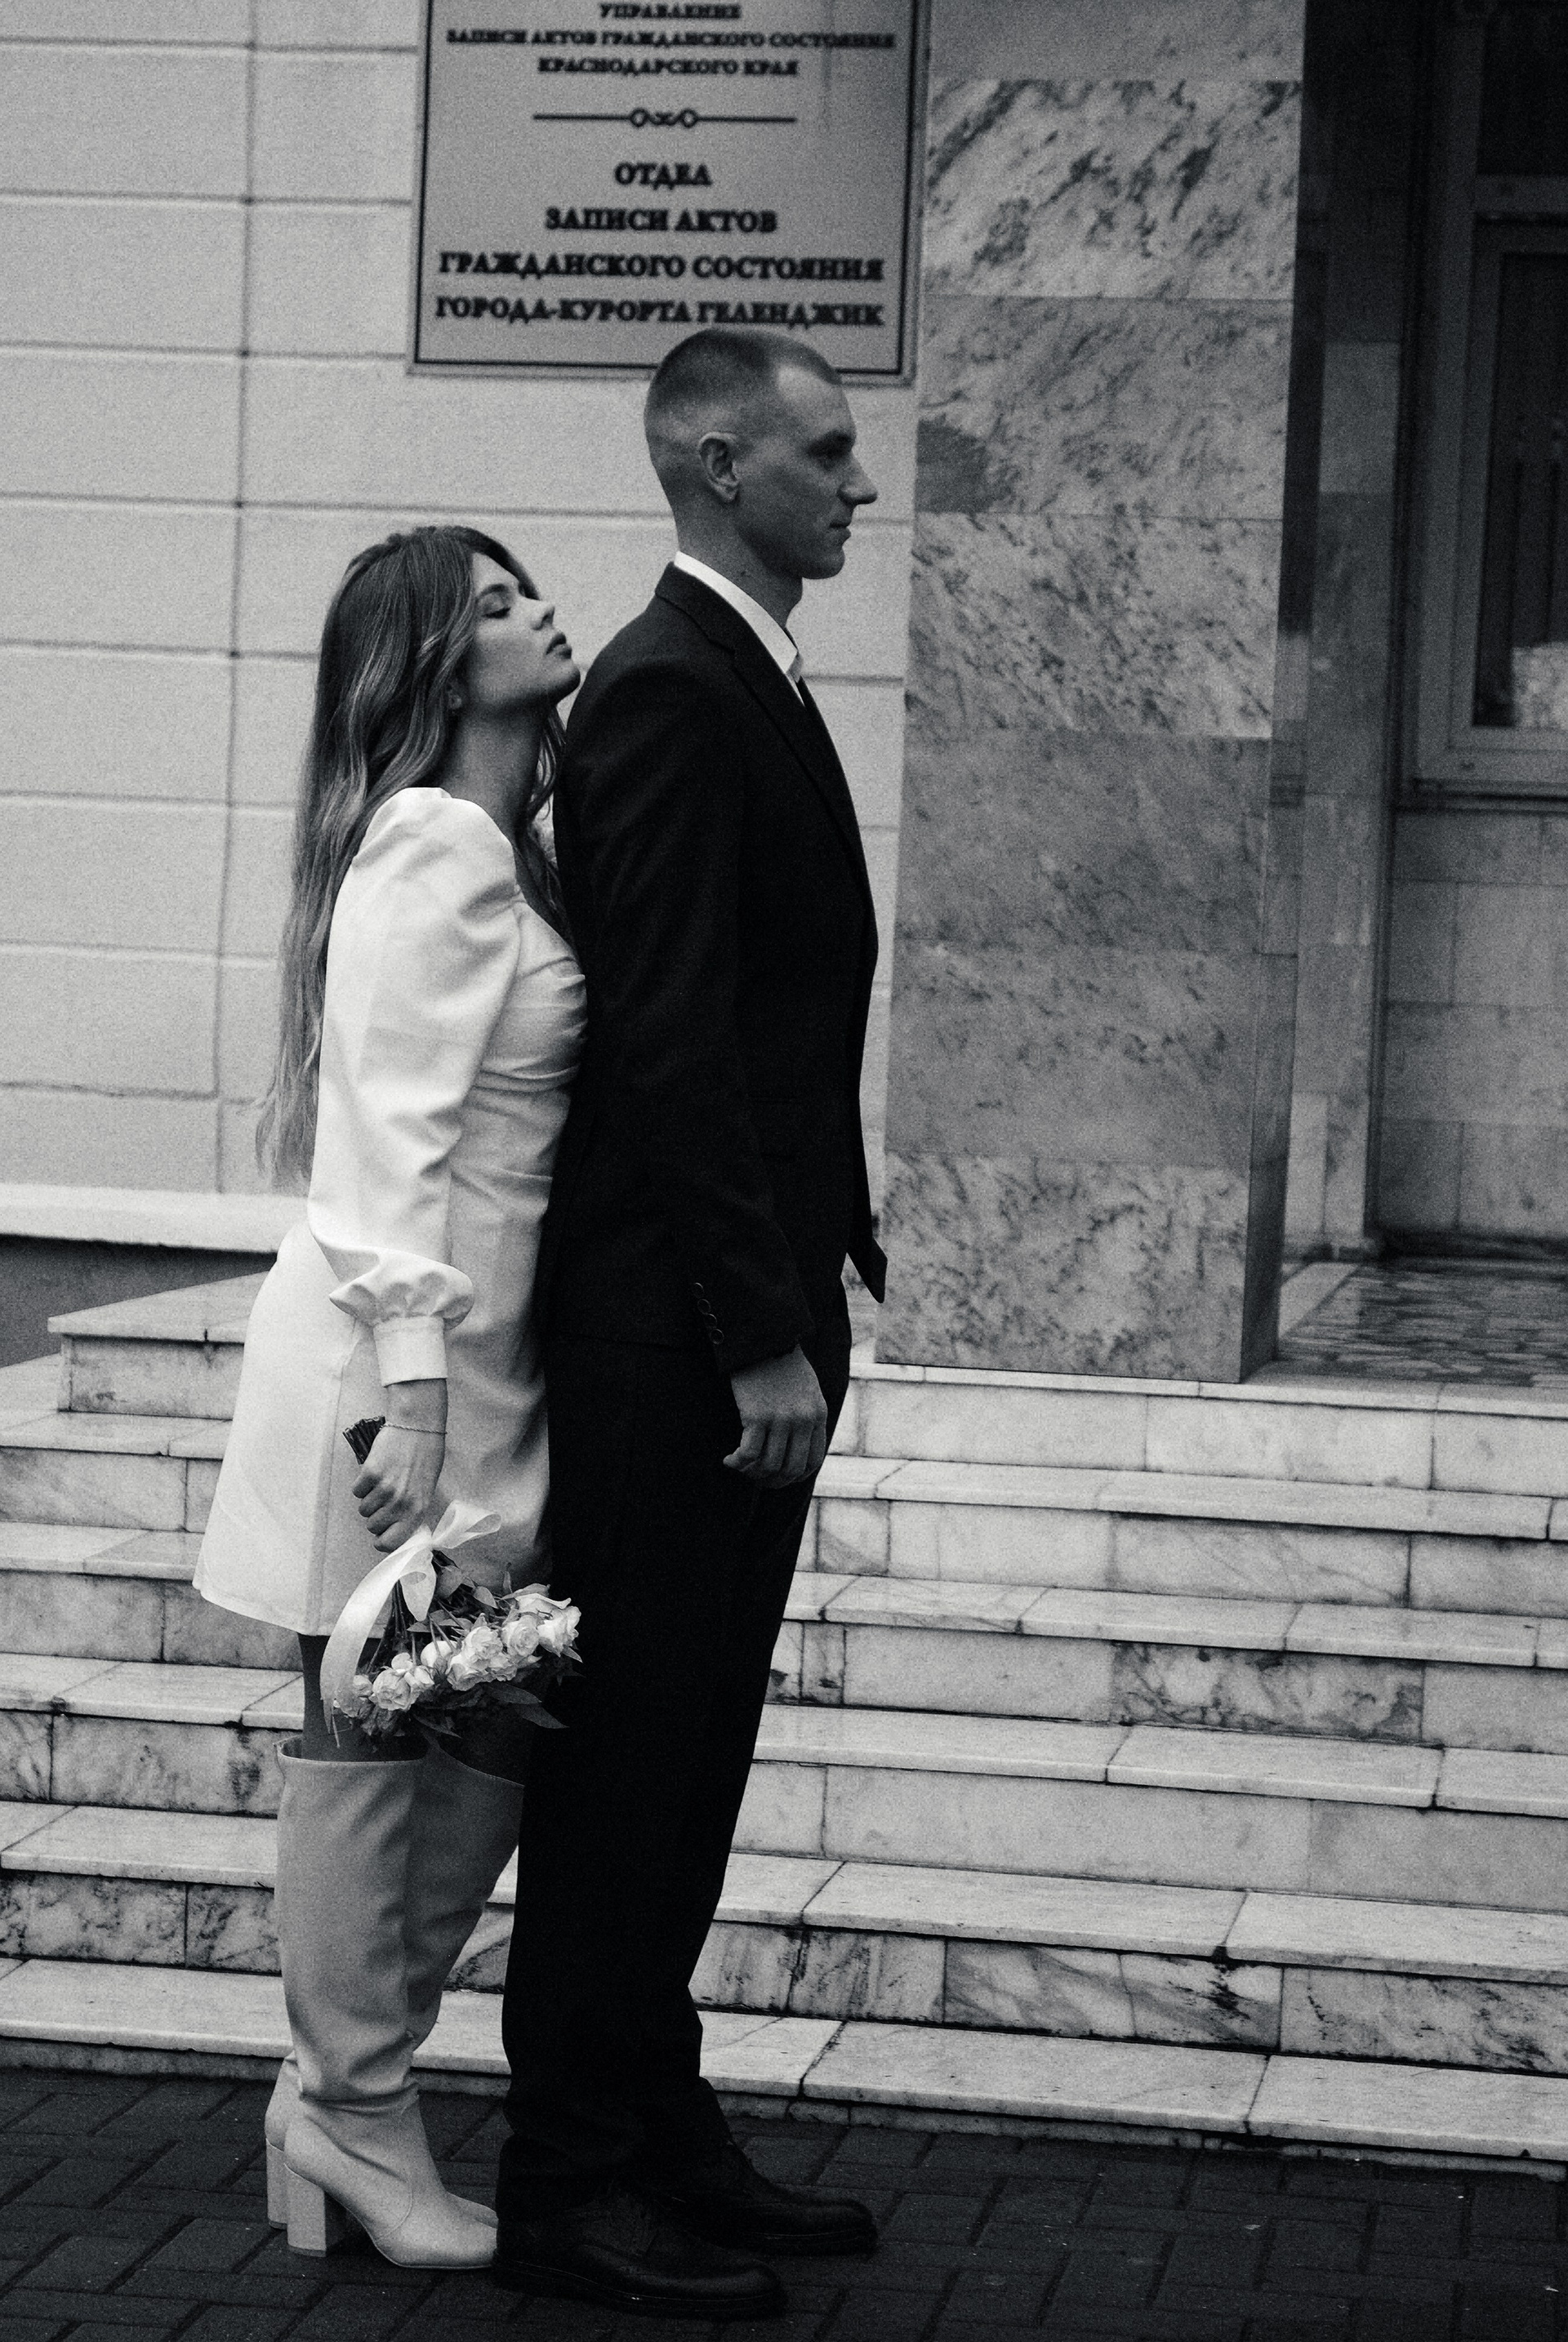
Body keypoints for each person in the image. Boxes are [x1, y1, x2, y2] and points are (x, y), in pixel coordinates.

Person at [492, 328, 885, 2320]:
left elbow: (774, 1007)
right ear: (722, 465)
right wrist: (753, 1331)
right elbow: (669, 1034)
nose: (859, 485)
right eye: (827, 452)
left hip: (737, 1316)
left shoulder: (748, 669)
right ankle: (566, 2176)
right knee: (633, 1760)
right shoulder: (665, 687)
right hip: (676, 1345)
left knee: (695, 1752)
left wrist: (827, 1261)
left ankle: (660, 2126)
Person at [194, 525, 585, 2269]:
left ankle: (336, 2094)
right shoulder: (435, 840)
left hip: (473, 1366)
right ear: (429, 665)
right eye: (492, 606)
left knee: (479, 1728)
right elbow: (383, 1149)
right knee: (378, 1729)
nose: (539, 610)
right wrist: (416, 1399)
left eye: (525, 586)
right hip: (393, 1361)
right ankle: (357, 2113)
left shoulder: (511, 846)